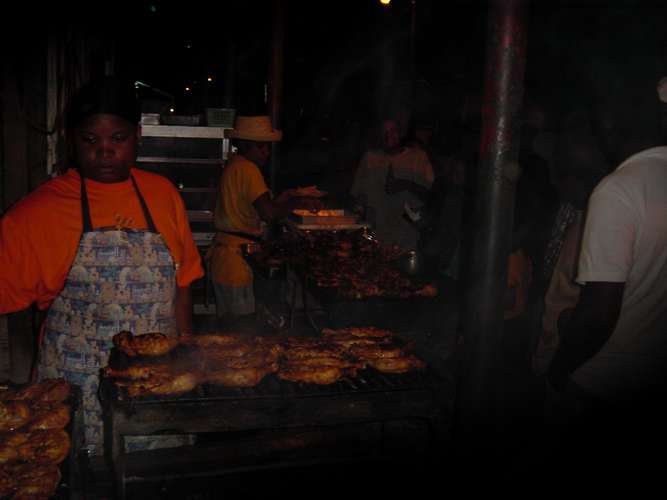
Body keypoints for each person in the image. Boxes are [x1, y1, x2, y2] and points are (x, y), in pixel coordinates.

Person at [0, 76, 204, 454]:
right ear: (72, 141)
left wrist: (185, 352)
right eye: (90, 140)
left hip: (153, 384)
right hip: (75, 389)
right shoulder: (39, 211)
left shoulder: (162, 195)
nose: (105, 152)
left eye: (118, 138)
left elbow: (183, 282)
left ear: (138, 135)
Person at [544, 94, 667, 469]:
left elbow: (598, 316)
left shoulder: (618, 190)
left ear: (610, 128)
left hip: (596, 385)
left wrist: (558, 371)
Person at [208, 115, 321, 325]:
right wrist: (298, 203)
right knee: (240, 330)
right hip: (234, 263)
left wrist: (284, 199)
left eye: (267, 147)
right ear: (245, 145)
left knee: (228, 327)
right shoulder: (248, 169)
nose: (266, 152)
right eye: (261, 147)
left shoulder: (234, 165)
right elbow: (268, 213)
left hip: (224, 258)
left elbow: (255, 207)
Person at [350, 116, 434, 250]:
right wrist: (357, 218)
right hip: (374, 235)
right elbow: (359, 196)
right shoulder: (370, 159)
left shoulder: (418, 158)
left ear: (401, 133)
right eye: (385, 132)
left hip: (405, 237)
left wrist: (405, 184)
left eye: (393, 131)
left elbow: (431, 194)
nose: (389, 135)